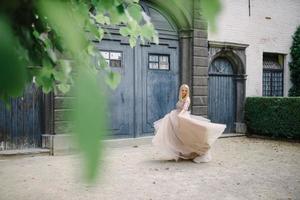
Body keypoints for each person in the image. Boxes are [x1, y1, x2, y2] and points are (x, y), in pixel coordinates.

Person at [152, 84, 226, 163]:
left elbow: (185, 108)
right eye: (182, 90)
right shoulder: (181, 98)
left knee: (188, 134)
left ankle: (202, 151)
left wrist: (181, 114)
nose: (184, 92)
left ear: (188, 91)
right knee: (175, 133)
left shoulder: (187, 99)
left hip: (182, 116)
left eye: (186, 90)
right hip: (176, 116)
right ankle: (179, 152)